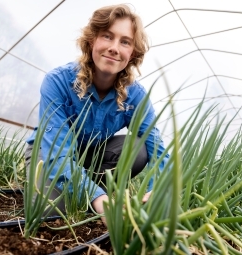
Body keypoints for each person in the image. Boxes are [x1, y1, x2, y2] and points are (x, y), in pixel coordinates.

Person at [25, 4, 169, 223]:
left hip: (93, 158)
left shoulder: (135, 96)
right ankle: (93, 195)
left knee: (138, 149)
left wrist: (156, 190)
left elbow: (156, 148)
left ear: (132, 53)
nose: (114, 47)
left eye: (125, 42)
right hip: (49, 155)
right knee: (51, 213)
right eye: (107, 36)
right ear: (92, 40)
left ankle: (91, 191)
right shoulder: (59, 82)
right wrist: (99, 199)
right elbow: (58, 155)